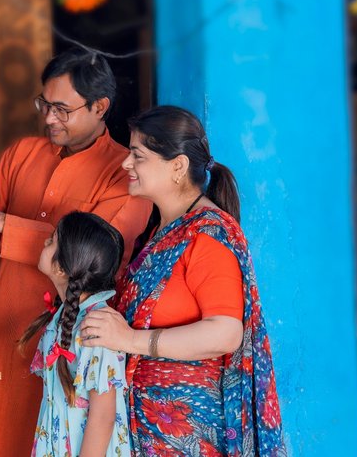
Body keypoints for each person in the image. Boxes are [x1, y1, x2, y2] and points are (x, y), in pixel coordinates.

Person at [0, 48, 151, 457]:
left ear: (100, 107)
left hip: (73, 348)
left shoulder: (126, 172)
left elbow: (101, 254)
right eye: (44, 105)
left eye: (62, 110)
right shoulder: (23, 154)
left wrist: (0, 220)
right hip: (5, 335)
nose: (49, 118)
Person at [78, 106, 286, 455]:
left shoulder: (207, 234)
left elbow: (225, 332)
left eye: (138, 156)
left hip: (187, 435)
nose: (126, 164)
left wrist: (130, 339)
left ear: (177, 166)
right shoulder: (159, 232)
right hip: (145, 426)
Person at [19, 212, 130, 457]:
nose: (44, 243)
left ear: (61, 268)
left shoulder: (96, 326)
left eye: (51, 241)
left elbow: (103, 416)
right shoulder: (63, 316)